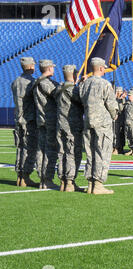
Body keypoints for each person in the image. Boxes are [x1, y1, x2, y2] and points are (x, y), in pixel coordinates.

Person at [79, 57, 119, 195]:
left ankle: (90, 183)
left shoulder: (84, 84)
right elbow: (112, 105)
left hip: (87, 121)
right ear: (101, 68)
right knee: (102, 152)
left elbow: (80, 99)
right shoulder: (105, 84)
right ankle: (98, 184)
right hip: (102, 123)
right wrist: (115, 114)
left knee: (90, 153)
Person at [55, 65, 84, 192]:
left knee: (62, 153)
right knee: (73, 153)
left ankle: (62, 181)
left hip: (60, 124)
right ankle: (70, 182)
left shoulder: (58, 88)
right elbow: (83, 100)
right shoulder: (73, 89)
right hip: (72, 126)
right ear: (74, 75)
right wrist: (82, 84)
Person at [11, 57, 38, 187]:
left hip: (18, 119)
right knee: (29, 148)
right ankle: (25, 177)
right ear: (30, 66)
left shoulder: (15, 82)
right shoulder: (32, 82)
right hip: (29, 119)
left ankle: (20, 176)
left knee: (20, 148)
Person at [33, 59, 59, 189]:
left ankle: (42, 178)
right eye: (52, 68)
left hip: (41, 119)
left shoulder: (36, 82)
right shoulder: (46, 83)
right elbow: (57, 94)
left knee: (41, 150)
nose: (53, 69)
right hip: (49, 119)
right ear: (49, 68)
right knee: (49, 150)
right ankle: (47, 179)